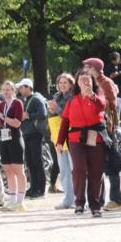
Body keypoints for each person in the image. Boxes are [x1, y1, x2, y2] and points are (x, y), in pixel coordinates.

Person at [57, 71, 107, 216]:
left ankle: (95, 205)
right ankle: (79, 202)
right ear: (77, 83)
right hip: (76, 139)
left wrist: (92, 95)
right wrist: (60, 141)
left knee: (96, 172)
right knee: (78, 169)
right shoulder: (72, 101)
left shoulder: (98, 97)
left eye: (88, 80)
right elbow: (65, 121)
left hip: (95, 138)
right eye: (82, 80)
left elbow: (102, 106)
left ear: (92, 82)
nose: (85, 83)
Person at [84, 58, 121, 211]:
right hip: (93, 127)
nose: (85, 69)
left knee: (112, 164)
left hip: (106, 128)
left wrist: (96, 98)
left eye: (87, 66)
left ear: (94, 68)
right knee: (95, 164)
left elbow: (113, 105)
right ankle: (97, 200)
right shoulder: (91, 81)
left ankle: (116, 200)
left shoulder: (105, 82)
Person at [0, 80, 27, 211]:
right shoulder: (1, 104)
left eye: (8, 89)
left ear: (13, 90)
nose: (5, 92)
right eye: (3, 89)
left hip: (14, 138)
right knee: (8, 170)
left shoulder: (17, 103)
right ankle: (12, 200)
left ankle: (20, 201)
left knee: (18, 170)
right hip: (4, 138)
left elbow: (17, 123)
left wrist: (2, 116)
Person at [47, 73, 77, 210]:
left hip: (71, 137)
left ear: (71, 84)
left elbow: (70, 115)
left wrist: (56, 109)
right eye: (60, 82)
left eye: (65, 82)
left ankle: (79, 198)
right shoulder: (56, 97)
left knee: (74, 169)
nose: (62, 85)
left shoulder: (74, 97)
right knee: (64, 169)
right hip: (59, 137)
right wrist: (51, 110)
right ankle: (68, 199)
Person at [17, 78, 48, 198]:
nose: (20, 89)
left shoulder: (36, 98)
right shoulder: (27, 99)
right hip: (27, 134)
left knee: (37, 161)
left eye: (21, 87)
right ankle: (33, 187)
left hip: (35, 134)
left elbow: (43, 113)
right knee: (30, 161)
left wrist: (28, 116)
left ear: (28, 87)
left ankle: (40, 189)